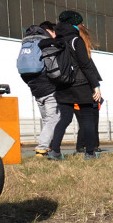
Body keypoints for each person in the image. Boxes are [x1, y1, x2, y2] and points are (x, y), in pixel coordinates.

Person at [41, 10, 102, 160]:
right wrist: (96, 86)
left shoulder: (57, 40)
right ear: (76, 24)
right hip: (80, 84)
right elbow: (85, 65)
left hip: (62, 84)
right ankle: (90, 153)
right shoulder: (76, 40)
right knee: (88, 117)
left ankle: (54, 151)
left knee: (65, 118)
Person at [21, 22, 61, 158]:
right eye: (54, 32)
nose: (55, 35)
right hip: (49, 88)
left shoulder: (26, 45)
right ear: (48, 31)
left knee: (46, 120)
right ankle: (42, 148)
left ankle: (46, 147)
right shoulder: (45, 45)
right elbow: (54, 70)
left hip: (36, 89)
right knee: (53, 119)